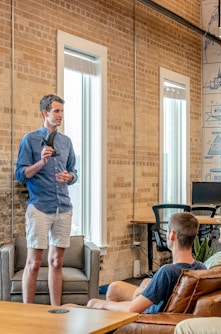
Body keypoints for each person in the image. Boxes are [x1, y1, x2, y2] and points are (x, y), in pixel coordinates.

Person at [15, 94, 77, 305]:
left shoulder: (66, 141)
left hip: (63, 208)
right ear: (45, 113)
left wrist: (70, 177)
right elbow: (21, 175)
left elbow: (73, 172)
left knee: (56, 262)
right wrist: (41, 162)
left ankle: (56, 311)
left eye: (62, 111)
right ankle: (28, 312)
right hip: (40, 208)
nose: (60, 115)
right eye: (57, 111)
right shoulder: (30, 139)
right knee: (33, 264)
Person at [86, 212, 206, 313]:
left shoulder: (167, 272)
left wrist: (99, 304)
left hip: (150, 316)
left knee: (103, 297)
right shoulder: (201, 268)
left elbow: (132, 308)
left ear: (172, 235)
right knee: (116, 287)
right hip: (166, 308)